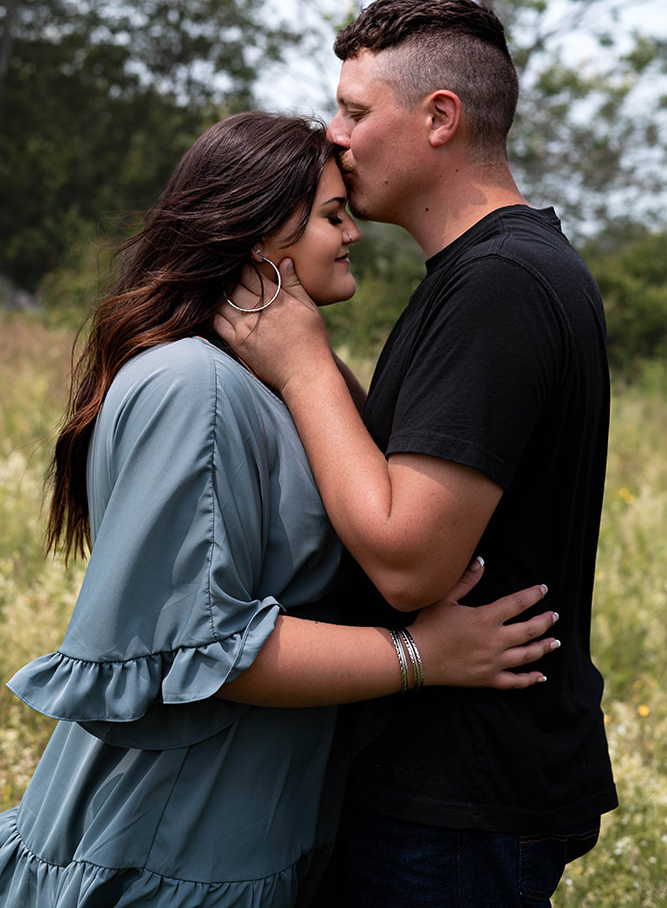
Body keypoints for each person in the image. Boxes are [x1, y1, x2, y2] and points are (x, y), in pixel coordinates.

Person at [0, 111, 559, 908]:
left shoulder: (269, 385)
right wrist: (419, 657)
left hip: (238, 840)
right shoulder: (193, 386)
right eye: (332, 216)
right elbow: (202, 645)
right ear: (261, 240)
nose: (353, 233)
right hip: (163, 852)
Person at [216, 0, 618, 907]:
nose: (334, 133)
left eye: (356, 111)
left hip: (454, 803)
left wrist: (304, 365)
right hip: (447, 791)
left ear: (439, 117)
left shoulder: (501, 284)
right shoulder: (486, 276)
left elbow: (408, 559)